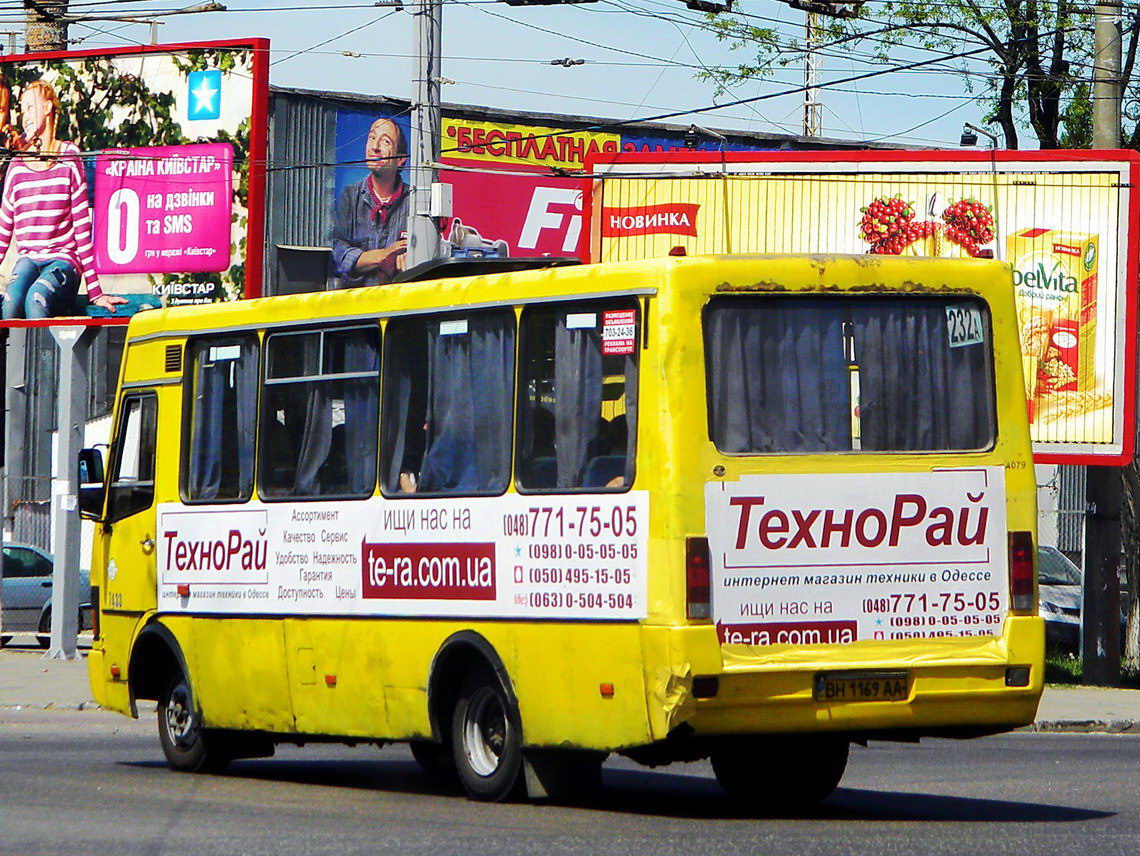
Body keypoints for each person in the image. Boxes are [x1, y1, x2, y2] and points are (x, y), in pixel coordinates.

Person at [0, 80, 126, 319]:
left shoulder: (69, 157)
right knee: (11, 300)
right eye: (21, 109)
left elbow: (81, 226)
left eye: (29, 107)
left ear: (47, 107)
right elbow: (3, 231)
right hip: (28, 259)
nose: (23, 115)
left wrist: (94, 290)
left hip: (62, 261)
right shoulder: (16, 166)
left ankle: (44, 356)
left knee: (36, 298)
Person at [331, 117, 410, 287]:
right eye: (372, 138)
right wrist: (383, 256)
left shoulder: (415, 202)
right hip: (356, 307)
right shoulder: (350, 196)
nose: (375, 147)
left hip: (398, 304)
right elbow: (335, 252)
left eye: (385, 141)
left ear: (401, 159)